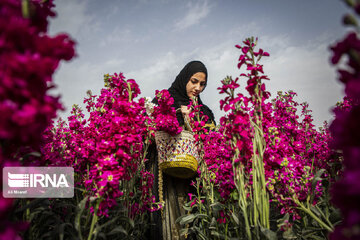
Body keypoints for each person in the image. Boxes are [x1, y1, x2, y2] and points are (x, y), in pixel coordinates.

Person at [147, 61, 215, 240]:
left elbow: (211, 139)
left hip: (191, 178)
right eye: (194, 81)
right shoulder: (164, 100)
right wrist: (178, 116)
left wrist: (192, 118)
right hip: (166, 176)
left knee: (192, 221)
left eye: (202, 84)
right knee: (169, 221)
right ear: (184, 78)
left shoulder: (204, 111)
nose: (197, 88)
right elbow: (150, 133)